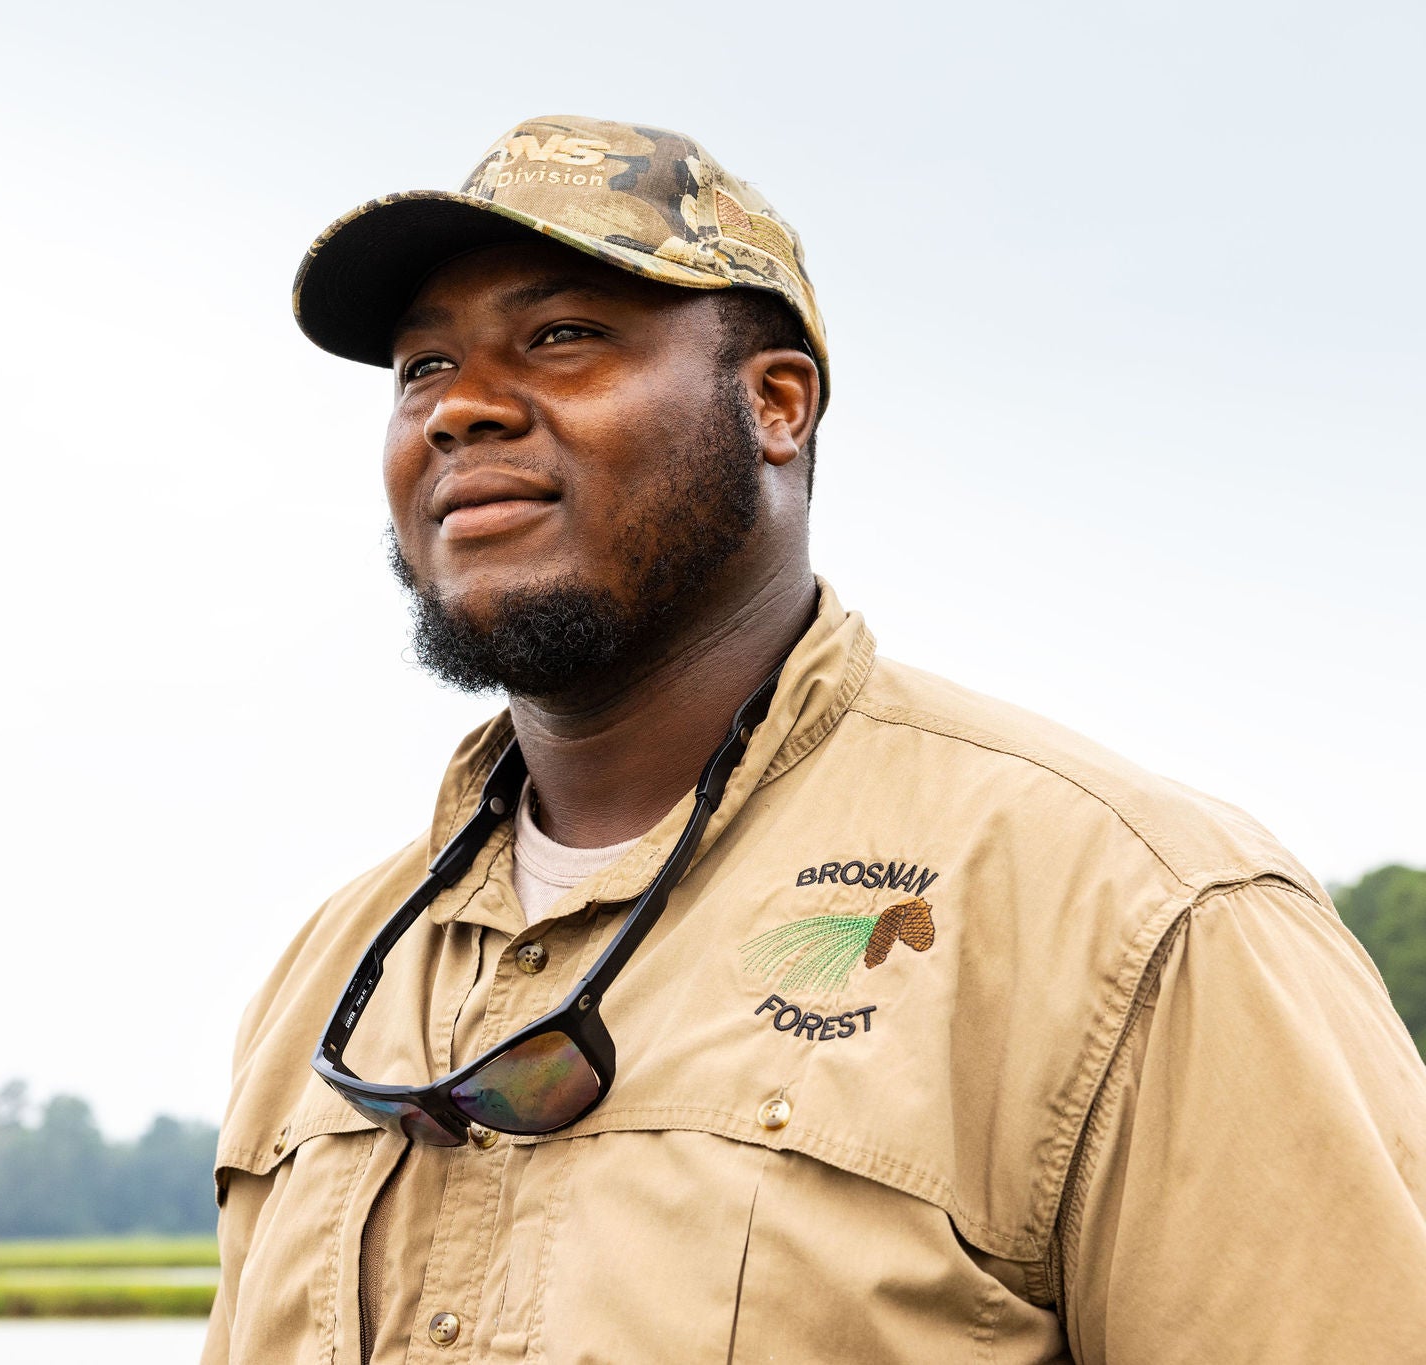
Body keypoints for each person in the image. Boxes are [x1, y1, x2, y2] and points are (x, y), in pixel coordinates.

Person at [203, 115, 1426, 1364]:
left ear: (774, 404)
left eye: (560, 337)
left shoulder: (1133, 915)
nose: (459, 410)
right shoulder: (332, 977)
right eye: (419, 369)